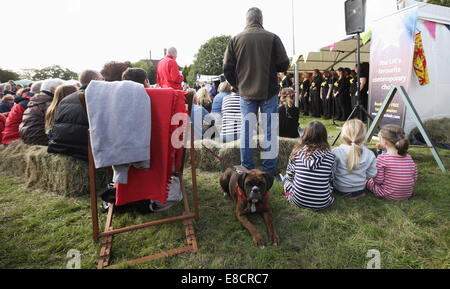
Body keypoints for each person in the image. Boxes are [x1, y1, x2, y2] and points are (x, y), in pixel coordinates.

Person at [223, 7, 289, 175]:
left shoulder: (235, 39)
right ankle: (268, 170)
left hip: (245, 93)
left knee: (246, 132)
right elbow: (284, 64)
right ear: (261, 21)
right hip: (269, 92)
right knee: (270, 131)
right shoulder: (273, 38)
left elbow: (227, 69)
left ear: (246, 21)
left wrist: (238, 85)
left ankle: (246, 169)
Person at [47, 70, 104, 160]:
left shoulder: (65, 99)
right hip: (85, 152)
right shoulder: (99, 99)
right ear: (96, 80)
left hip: (61, 148)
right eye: (102, 79)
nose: (104, 82)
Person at [282, 120, 335, 210]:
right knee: (330, 187)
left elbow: (290, 176)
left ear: (305, 135)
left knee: (285, 179)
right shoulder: (330, 156)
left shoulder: (296, 152)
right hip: (323, 203)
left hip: (297, 200)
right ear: (324, 137)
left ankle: (290, 194)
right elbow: (331, 178)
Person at [366, 124, 418, 200]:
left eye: (379, 139)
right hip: (407, 194)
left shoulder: (382, 158)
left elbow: (378, 181)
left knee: (368, 181)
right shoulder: (408, 157)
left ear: (385, 142)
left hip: (388, 194)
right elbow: (414, 177)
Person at [332, 119, 377, 199]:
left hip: (340, 188)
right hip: (360, 189)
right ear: (363, 136)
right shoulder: (369, 154)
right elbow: (372, 174)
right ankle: (356, 195)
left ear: (343, 135)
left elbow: (332, 171)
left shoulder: (336, 151)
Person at [19, 78, 65, 146]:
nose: (63, 91)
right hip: (41, 142)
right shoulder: (49, 104)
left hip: (28, 139)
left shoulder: (36, 101)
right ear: (53, 89)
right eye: (62, 89)